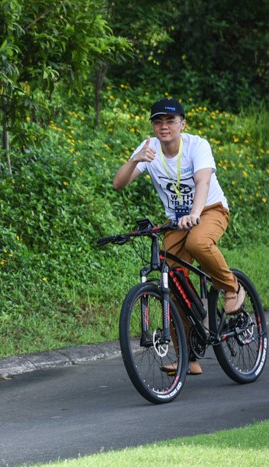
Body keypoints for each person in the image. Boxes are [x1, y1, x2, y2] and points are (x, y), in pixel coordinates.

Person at [113, 98, 246, 376]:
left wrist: (195, 213)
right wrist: (135, 159)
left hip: (209, 209)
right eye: (158, 121)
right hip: (177, 220)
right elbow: (119, 184)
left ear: (182, 124)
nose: (164, 127)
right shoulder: (148, 149)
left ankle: (232, 286)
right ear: (152, 125)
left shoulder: (197, 146)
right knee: (170, 281)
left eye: (170, 121)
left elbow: (203, 182)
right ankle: (189, 357)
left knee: (198, 242)